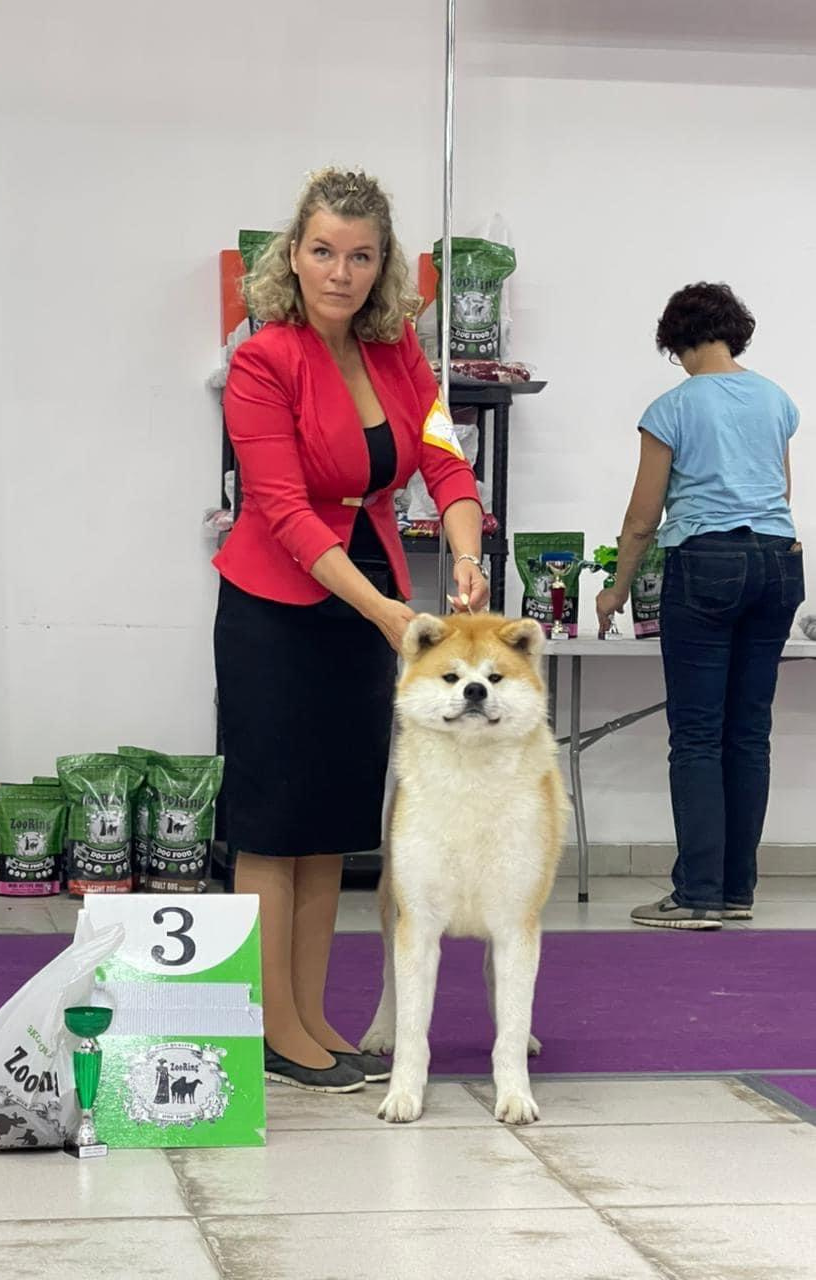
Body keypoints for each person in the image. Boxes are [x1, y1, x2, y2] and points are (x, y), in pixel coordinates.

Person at [213, 167, 487, 1091]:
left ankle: (313, 1020)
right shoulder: (262, 360)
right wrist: (383, 614)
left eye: (361, 256)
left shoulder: (399, 349)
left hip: (374, 588)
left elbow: (444, 457)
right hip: (278, 605)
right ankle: (269, 1029)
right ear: (292, 255)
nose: (341, 271)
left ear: (385, 267)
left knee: (332, 820)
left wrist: (467, 552)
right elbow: (284, 511)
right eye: (324, 251)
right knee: (273, 820)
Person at [596, 282, 805, 930]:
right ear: (732, 331)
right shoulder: (776, 400)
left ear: (678, 340)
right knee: (748, 733)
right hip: (779, 563)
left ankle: (697, 895)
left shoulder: (672, 406)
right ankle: (737, 890)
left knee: (696, 735)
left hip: (707, 565)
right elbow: (781, 491)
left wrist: (617, 588)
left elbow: (641, 519)